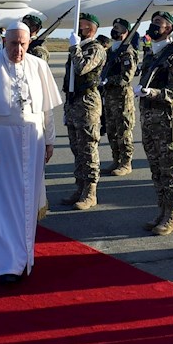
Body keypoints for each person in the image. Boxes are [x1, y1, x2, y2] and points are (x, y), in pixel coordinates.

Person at [0, 23, 62, 284]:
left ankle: (23, 260)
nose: (17, 50)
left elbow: (47, 111)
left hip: (33, 142)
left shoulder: (39, 66)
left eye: (23, 44)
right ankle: (0, 264)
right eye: (12, 44)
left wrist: (49, 141)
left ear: (30, 43)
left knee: (27, 203)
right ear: (4, 42)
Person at [133, 11, 173, 236]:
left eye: (159, 23)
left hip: (167, 123)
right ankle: (162, 211)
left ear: (168, 29)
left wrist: (153, 92)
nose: (154, 26)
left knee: (171, 171)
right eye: (153, 22)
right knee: (156, 170)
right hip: (149, 121)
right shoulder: (151, 54)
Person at [60, 13, 107, 209]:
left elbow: (82, 68)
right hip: (73, 102)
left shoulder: (95, 48)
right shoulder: (80, 48)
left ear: (92, 28)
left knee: (88, 148)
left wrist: (74, 47)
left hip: (87, 103)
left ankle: (90, 192)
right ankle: (79, 187)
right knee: (76, 148)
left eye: (83, 26)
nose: (79, 28)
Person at [100, 17, 140, 177]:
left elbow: (126, 77)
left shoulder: (127, 51)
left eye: (117, 27)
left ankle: (126, 163)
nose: (114, 30)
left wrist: (108, 80)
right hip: (109, 97)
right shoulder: (111, 51)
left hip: (122, 98)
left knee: (123, 131)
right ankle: (116, 160)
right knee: (111, 131)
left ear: (125, 31)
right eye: (114, 26)